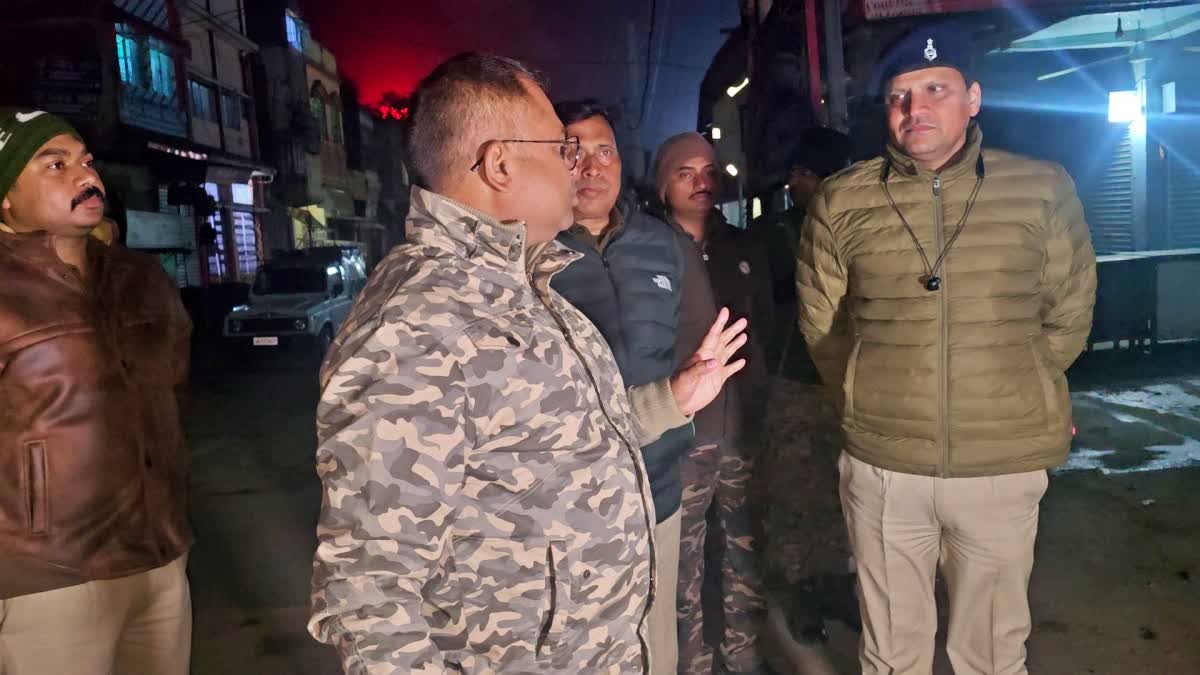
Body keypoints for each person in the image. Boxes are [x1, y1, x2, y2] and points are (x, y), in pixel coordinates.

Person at [308, 53, 749, 674]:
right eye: (561, 149)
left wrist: (672, 398)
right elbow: (370, 597)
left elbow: (565, 439)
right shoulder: (419, 324)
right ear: (500, 164)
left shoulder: (523, 285)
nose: (576, 166)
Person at [797, 25, 1096, 675]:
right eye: (900, 96)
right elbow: (822, 325)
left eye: (936, 89)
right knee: (890, 654)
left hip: (1000, 462)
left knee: (991, 652)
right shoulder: (843, 200)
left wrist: (1017, 383)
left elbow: (1069, 311)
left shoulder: (1041, 188)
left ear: (973, 98)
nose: (916, 108)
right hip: (885, 468)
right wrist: (869, 394)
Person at [0, 108, 193, 673]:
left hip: (160, 558)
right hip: (48, 576)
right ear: (5, 198)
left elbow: (172, 390)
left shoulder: (141, 279)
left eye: (86, 161)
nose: (86, 176)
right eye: (54, 165)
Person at [549, 99, 692, 675]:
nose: (591, 167)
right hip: (573, 501)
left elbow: (685, 346)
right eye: (572, 151)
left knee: (657, 644)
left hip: (658, 485)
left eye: (604, 151)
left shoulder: (661, 243)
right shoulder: (529, 250)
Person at [654, 131, 772, 675]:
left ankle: (743, 655)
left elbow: (765, 325)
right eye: (685, 173)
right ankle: (691, 661)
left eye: (708, 171)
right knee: (683, 559)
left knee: (746, 548)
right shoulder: (647, 251)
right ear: (663, 185)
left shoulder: (743, 246)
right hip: (682, 434)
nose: (701, 183)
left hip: (741, 426)